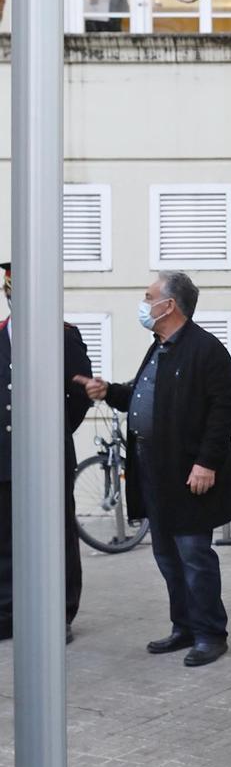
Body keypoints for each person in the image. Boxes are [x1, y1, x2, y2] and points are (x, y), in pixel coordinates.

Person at [78, 272, 231, 665]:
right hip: (154, 470)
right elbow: (141, 394)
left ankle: (210, 634)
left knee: (194, 556)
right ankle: (183, 627)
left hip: (190, 474)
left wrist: (206, 463)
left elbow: (224, 411)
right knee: (167, 555)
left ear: (170, 305)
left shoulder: (206, 350)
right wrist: (109, 391)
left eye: (149, 297)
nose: (144, 304)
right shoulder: (160, 347)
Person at [0, 264, 92, 642]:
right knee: (6, 536)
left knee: (57, 535)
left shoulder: (63, 336)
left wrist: (52, 433)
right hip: (4, 455)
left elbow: (79, 394)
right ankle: (8, 611)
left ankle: (59, 613)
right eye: (11, 289)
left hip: (49, 456)